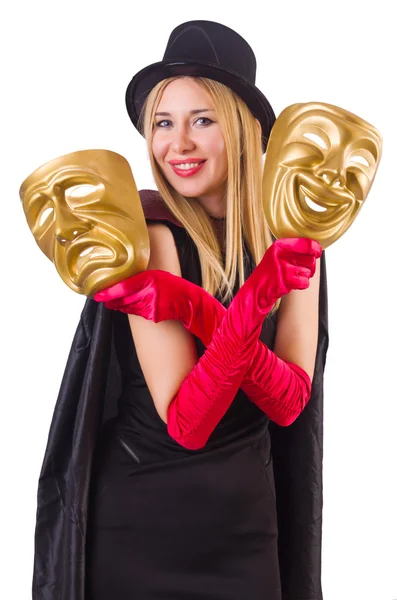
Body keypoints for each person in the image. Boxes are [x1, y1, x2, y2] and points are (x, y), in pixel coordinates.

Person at [31, 20, 329, 600]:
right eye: (163, 123)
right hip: (143, 528)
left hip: (247, 534)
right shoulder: (152, 236)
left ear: (241, 129)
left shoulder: (289, 239)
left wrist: (197, 304)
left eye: (202, 121)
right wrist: (246, 300)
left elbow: (290, 402)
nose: (178, 144)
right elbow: (190, 424)